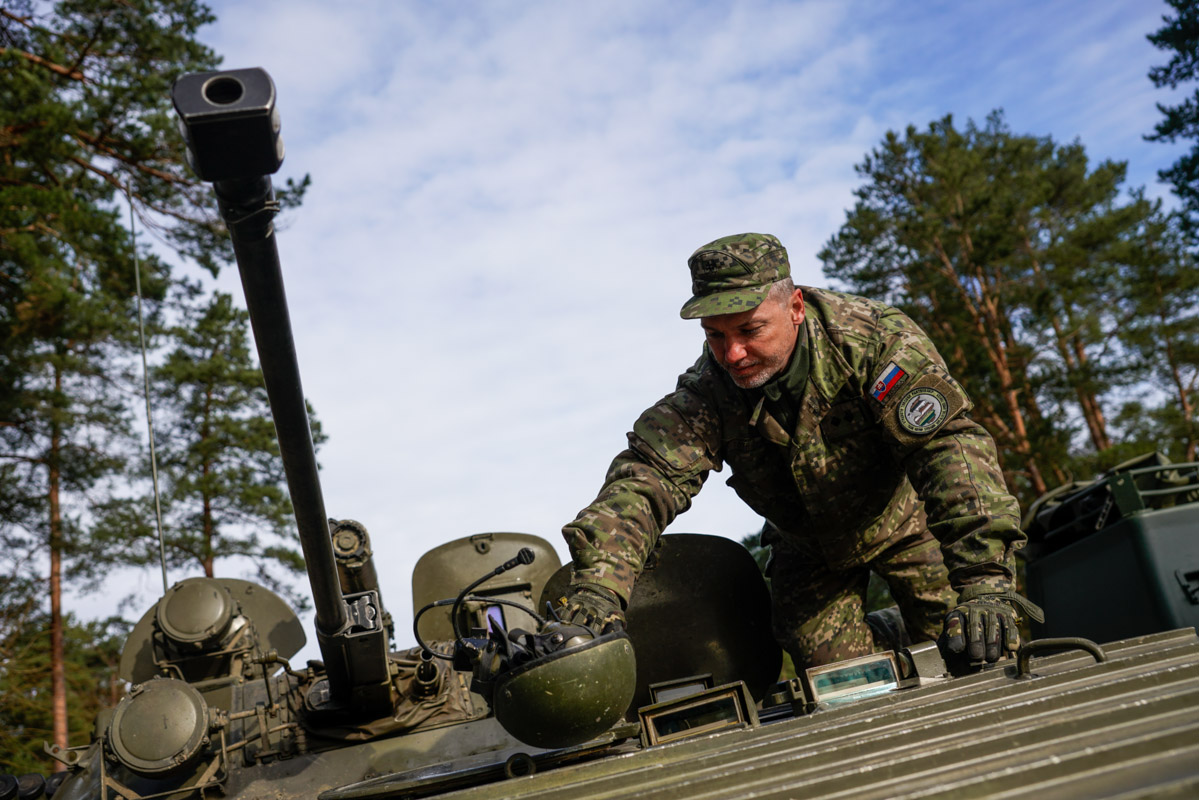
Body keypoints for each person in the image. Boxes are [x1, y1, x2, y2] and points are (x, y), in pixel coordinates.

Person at [557, 232, 1042, 670]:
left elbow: (948, 449)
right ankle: (887, 638)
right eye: (715, 335)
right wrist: (598, 590)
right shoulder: (707, 394)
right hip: (807, 548)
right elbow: (642, 484)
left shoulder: (873, 343)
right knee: (837, 682)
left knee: (974, 648)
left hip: (905, 521)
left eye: (750, 331)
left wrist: (984, 581)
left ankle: (913, 627)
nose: (732, 355)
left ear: (795, 307)